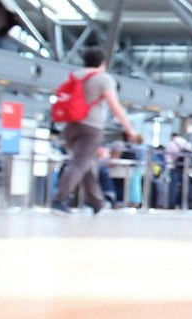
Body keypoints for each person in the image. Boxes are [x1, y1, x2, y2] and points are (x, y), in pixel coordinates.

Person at [51, 46, 138, 215]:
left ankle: (96, 202)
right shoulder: (103, 79)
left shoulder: (74, 76)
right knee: (79, 163)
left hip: (70, 126)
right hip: (91, 128)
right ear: (102, 63)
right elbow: (115, 106)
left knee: (85, 163)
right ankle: (59, 199)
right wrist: (129, 129)